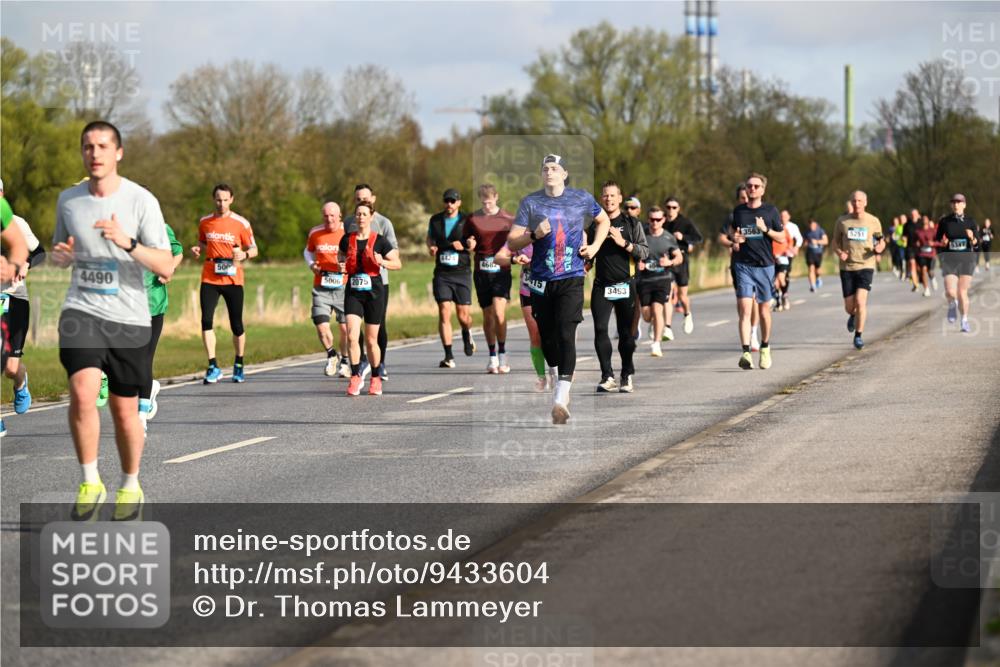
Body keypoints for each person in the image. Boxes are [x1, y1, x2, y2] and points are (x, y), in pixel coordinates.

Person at [51, 120, 175, 521]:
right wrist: (62, 257)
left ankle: (130, 482)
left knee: (124, 412)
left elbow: (165, 265)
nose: (95, 153)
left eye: (103, 146)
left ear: (118, 152)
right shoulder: (69, 201)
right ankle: (90, 480)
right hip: (82, 311)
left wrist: (128, 242)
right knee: (84, 392)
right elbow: (61, 250)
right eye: (88, 146)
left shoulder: (141, 201)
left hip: (129, 316)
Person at [507, 154, 609, 424]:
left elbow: (604, 221)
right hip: (541, 280)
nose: (549, 172)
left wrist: (595, 247)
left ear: (564, 174)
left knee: (566, 331)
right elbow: (512, 241)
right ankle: (555, 372)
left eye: (554, 168)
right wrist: (532, 235)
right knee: (548, 340)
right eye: (545, 169)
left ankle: (561, 397)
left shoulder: (581, 198)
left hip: (572, 277)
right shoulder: (531, 202)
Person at [191, 184, 257, 383]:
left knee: (236, 324)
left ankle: (239, 363)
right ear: (214, 200)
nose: (221, 203)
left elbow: (254, 249)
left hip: (232, 277)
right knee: (206, 321)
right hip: (210, 276)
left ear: (232, 200)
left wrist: (244, 254)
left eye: (225, 200)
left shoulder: (241, 223)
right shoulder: (205, 221)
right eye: (218, 200)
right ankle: (213, 365)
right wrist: (197, 249)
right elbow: (204, 242)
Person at [589, 181, 648, 393]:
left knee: (626, 334)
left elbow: (644, 252)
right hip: (601, 286)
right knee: (600, 329)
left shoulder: (631, 223)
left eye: (613, 195)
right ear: (601, 198)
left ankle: (627, 373)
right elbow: (589, 255)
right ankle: (607, 376)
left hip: (626, 285)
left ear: (620, 198)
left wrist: (624, 243)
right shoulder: (594, 225)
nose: (609, 199)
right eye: (605, 196)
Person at [340, 200, 401, 395]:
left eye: (364, 214)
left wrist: (383, 261)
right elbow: (340, 257)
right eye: (358, 214)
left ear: (371, 217)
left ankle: (375, 377)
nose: (360, 217)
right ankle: (356, 376)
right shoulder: (347, 239)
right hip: (354, 291)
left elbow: (397, 263)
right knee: (351, 335)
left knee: (371, 339)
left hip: (374, 291)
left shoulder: (380, 240)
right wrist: (341, 266)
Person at [727, 173, 784, 370]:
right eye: (749, 186)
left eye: (756, 186)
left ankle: (765, 347)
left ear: (762, 189)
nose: (752, 189)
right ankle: (745, 352)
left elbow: (781, 238)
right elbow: (733, 234)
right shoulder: (739, 211)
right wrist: (735, 239)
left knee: (763, 310)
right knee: (744, 309)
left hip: (765, 266)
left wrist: (765, 229)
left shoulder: (770, 211)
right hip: (743, 265)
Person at [0, 182, 44, 437]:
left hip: (14, 298)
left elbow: (38, 251)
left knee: (9, 367)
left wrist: (25, 264)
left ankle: (20, 382)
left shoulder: (15, 222)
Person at [464, 184, 514, 373]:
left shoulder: (508, 218)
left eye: (490, 201)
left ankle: (502, 354)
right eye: (483, 201)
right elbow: (466, 240)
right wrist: (469, 243)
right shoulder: (473, 218)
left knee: (499, 313)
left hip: (501, 270)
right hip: (481, 270)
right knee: (487, 315)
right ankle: (492, 356)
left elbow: (516, 240)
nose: (487, 204)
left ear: (496, 198)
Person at [139, 220, 183, 431]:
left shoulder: (161, 228)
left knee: (144, 360)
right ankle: (149, 389)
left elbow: (178, 251)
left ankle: (141, 419)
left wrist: (170, 268)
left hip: (154, 304)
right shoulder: (118, 229)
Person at [831, 190, 885, 350]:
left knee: (861, 301)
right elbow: (835, 242)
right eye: (854, 201)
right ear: (850, 203)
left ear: (865, 203)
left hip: (866, 265)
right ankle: (853, 315)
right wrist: (840, 253)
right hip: (847, 267)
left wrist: (880, 247)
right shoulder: (842, 221)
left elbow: (880, 240)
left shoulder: (873, 221)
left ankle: (858, 336)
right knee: (849, 307)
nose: (857, 204)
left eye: (860, 201)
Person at [428, 188, 475, 368]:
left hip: (461, 273)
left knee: (463, 316)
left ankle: (466, 331)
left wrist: (464, 245)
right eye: (447, 201)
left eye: (453, 201)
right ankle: (448, 355)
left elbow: (473, 243)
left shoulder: (467, 220)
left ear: (459, 203)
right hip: (442, 274)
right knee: (444, 312)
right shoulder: (435, 220)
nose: (449, 204)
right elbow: (430, 238)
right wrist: (431, 247)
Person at [305, 202, 350, 378]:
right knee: (321, 326)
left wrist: (346, 266)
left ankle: (345, 360)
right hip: (321, 285)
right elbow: (308, 251)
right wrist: (311, 265)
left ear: (339, 215)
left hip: (343, 286)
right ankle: (332, 354)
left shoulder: (347, 232)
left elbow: (356, 254)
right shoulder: (315, 232)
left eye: (332, 215)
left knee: (346, 329)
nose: (329, 219)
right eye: (325, 216)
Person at [495, 241, 547, 390]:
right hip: (528, 290)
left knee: (551, 334)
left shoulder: (552, 227)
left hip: (551, 289)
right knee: (535, 335)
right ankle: (541, 376)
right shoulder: (519, 237)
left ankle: (556, 371)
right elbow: (498, 258)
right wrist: (513, 260)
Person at [718, 184, 761, 350]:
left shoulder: (760, 214)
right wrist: (732, 243)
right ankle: (746, 328)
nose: (746, 199)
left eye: (747, 196)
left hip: (757, 263)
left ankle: (754, 332)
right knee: (743, 302)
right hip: (739, 264)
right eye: (743, 198)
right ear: (739, 199)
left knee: (755, 300)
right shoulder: (733, 216)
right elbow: (721, 237)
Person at [638, 206, 682, 357]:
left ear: (663, 220)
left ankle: (656, 344)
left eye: (658, 219)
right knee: (646, 315)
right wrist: (638, 263)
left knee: (658, 309)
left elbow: (679, 257)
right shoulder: (642, 235)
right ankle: (654, 324)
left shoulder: (669, 237)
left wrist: (669, 262)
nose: (655, 222)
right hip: (644, 280)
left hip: (662, 279)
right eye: (652, 219)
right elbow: (633, 253)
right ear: (648, 220)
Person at [936, 193, 980, 332]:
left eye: (959, 202)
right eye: (953, 202)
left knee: (962, 292)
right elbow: (938, 239)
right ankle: (952, 305)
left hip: (967, 260)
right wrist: (943, 242)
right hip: (950, 260)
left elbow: (977, 243)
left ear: (964, 205)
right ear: (951, 205)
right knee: (950, 291)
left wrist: (972, 238)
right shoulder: (945, 222)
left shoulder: (971, 221)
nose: (956, 204)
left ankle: (964, 320)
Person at [663, 197, 702, 334]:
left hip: (682, 260)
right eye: (668, 207)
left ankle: (687, 315)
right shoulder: (660, 221)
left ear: (678, 209)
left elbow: (698, 238)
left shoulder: (685, 222)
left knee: (682, 295)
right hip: (667, 261)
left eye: (674, 207)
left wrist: (683, 238)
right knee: (668, 293)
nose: (671, 210)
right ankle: (667, 327)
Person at [777, 210, 803, 309]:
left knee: (785, 275)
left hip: (787, 254)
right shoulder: (776, 225)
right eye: (782, 216)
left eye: (785, 216)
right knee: (776, 277)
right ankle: (778, 296)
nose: (783, 218)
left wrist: (796, 247)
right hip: (776, 255)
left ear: (789, 217)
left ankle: (784, 294)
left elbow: (799, 238)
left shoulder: (793, 227)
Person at [771, 218, 795, 312]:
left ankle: (785, 295)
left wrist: (788, 249)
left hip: (783, 258)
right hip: (773, 259)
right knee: (775, 283)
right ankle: (778, 302)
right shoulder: (768, 231)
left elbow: (790, 241)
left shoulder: (784, 230)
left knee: (781, 278)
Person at [914, 216, 939, 298]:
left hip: (931, 254)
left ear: (928, 221)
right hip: (922, 254)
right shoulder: (918, 232)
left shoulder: (933, 231)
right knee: (923, 270)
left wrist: (933, 244)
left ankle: (932, 278)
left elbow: (939, 241)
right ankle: (926, 289)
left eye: (926, 219)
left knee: (930, 271)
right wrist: (917, 244)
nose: (924, 220)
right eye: (923, 219)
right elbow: (914, 242)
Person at [803, 219, 828, 291]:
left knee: (817, 270)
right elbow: (804, 242)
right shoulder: (806, 232)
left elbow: (826, 241)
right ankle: (813, 285)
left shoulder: (820, 231)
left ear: (816, 224)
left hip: (818, 252)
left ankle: (818, 277)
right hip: (809, 253)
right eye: (810, 225)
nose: (812, 227)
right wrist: (805, 244)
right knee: (811, 269)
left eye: (813, 225)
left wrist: (817, 241)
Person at [903, 209, 921, 291]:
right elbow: (904, 235)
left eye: (915, 214)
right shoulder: (907, 225)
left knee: (919, 267)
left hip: (920, 248)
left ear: (918, 215)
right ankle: (915, 284)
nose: (913, 216)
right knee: (912, 264)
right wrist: (903, 239)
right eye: (912, 214)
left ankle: (919, 279)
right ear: (910, 216)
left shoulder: (921, 224)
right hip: (910, 247)